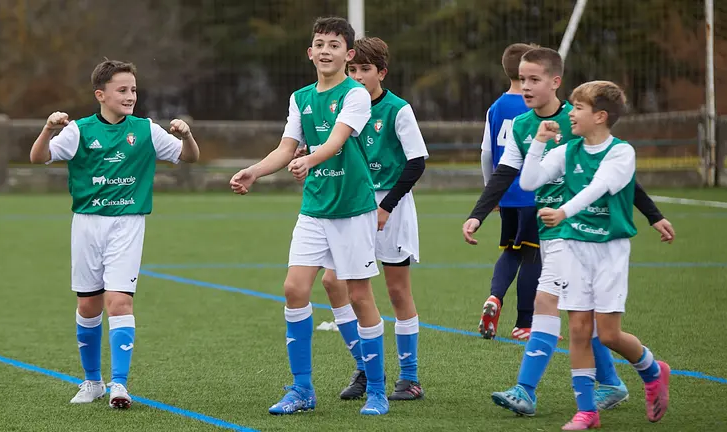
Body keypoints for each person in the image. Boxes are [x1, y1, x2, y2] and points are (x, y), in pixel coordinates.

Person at [461, 48, 675, 416]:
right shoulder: (525, 126)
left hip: (580, 230)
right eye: (521, 79)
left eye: (533, 80)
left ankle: (526, 390)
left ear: (555, 82)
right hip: (553, 228)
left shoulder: (579, 119)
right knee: (582, 316)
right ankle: (613, 381)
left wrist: (652, 214)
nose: (524, 87)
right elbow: (507, 174)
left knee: (548, 303)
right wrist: (477, 214)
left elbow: (614, 177)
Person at [229, 17, 389, 416]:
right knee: (294, 289)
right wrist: (255, 170)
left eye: (334, 45)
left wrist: (310, 161)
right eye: (319, 43)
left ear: (348, 54)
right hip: (315, 209)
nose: (325, 50)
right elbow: (286, 148)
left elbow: (335, 140)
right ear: (309, 52)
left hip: (352, 208)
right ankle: (302, 389)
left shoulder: (355, 95)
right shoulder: (300, 97)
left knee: (359, 294)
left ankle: (378, 390)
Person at [29, 59, 200, 409]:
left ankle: (119, 384)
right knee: (88, 305)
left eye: (133, 89)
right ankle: (92, 381)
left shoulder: (146, 130)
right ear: (101, 95)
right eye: (122, 90)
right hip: (87, 225)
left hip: (127, 224)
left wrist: (187, 136)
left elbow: (189, 157)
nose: (130, 96)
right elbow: (38, 157)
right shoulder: (79, 130)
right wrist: (48, 130)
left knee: (119, 301)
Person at [519, 80, 670, 429]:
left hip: (609, 252)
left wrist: (564, 212)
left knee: (609, 334)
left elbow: (599, 187)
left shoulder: (621, 153)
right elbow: (529, 182)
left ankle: (652, 370)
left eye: (579, 108)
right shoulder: (567, 151)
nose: (570, 113)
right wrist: (539, 144)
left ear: (600, 116)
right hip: (574, 248)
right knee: (578, 329)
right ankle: (587, 410)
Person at [317, 36, 429, 401]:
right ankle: (367, 367)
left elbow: (416, 162)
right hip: (352, 202)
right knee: (334, 282)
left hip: (388, 204)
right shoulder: (344, 104)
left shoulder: (397, 109)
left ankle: (409, 378)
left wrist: (387, 207)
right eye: (353, 69)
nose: (358, 76)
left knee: (397, 291)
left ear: (381, 72)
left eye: (366, 70)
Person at [478, 42, 538, 341]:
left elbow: (487, 154)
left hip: (507, 193)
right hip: (535, 194)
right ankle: (525, 323)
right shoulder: (537, 105)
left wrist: (493, 193)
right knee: (532, 256)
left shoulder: (497, 107)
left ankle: (495, 297)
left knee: (510, 251)